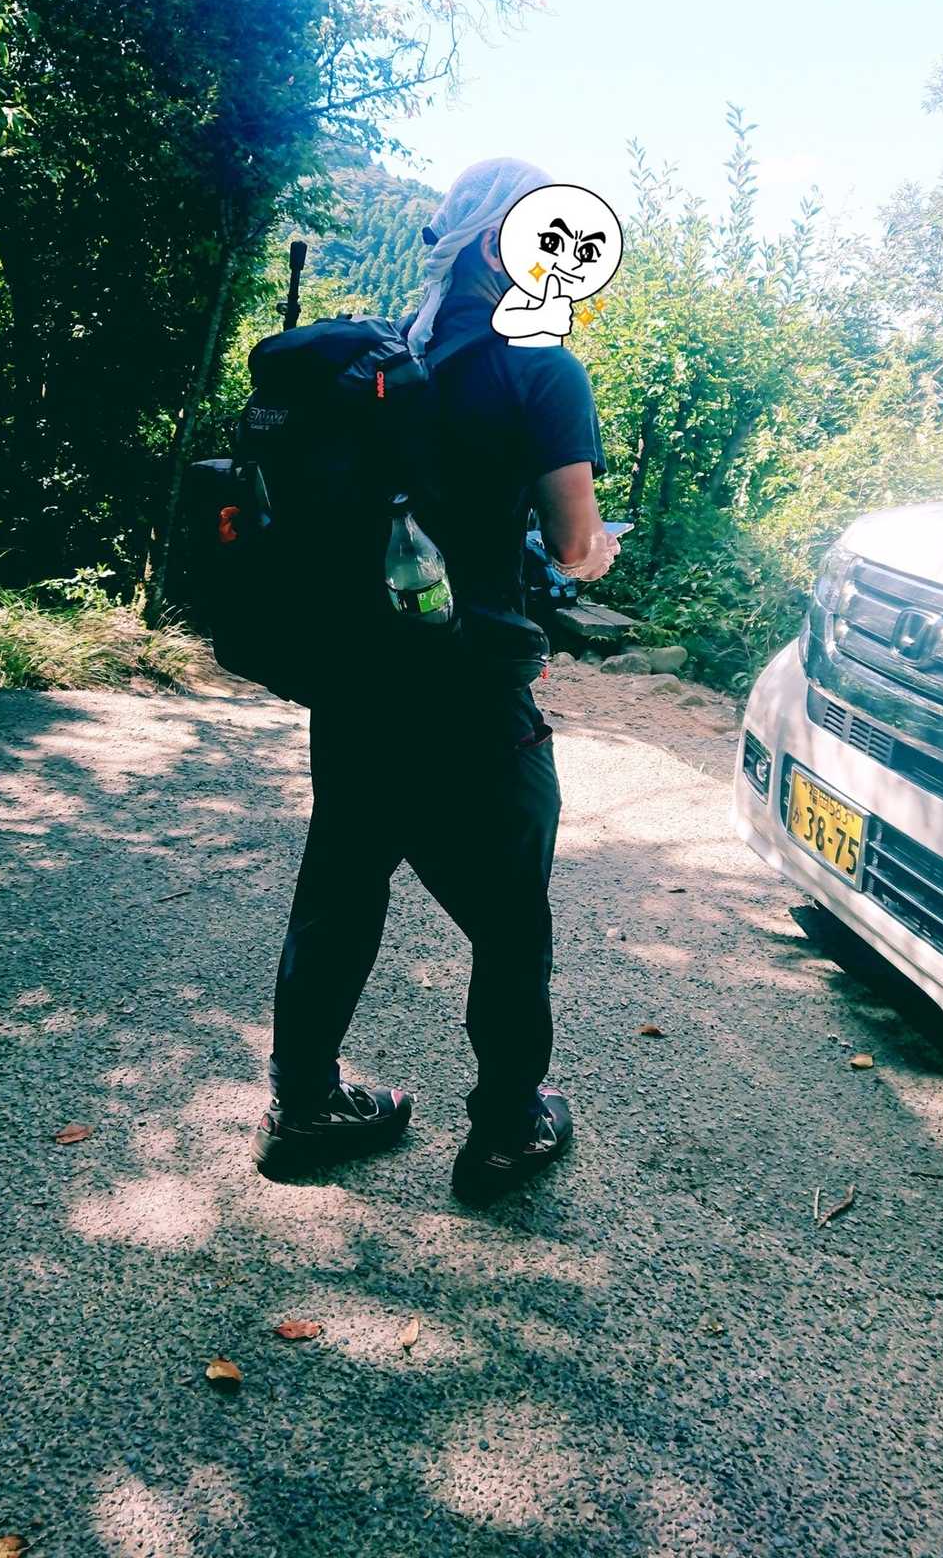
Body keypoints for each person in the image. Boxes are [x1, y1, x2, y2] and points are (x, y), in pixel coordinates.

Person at [251, 158, 620, 1205]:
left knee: (339, 888)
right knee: (510, 921)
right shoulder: (541, 369)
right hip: (471, 692)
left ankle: (303, 1105)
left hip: (358, 675)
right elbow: (575, 543)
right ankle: (504, 1130)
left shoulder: (388, 354)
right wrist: (596, 552)